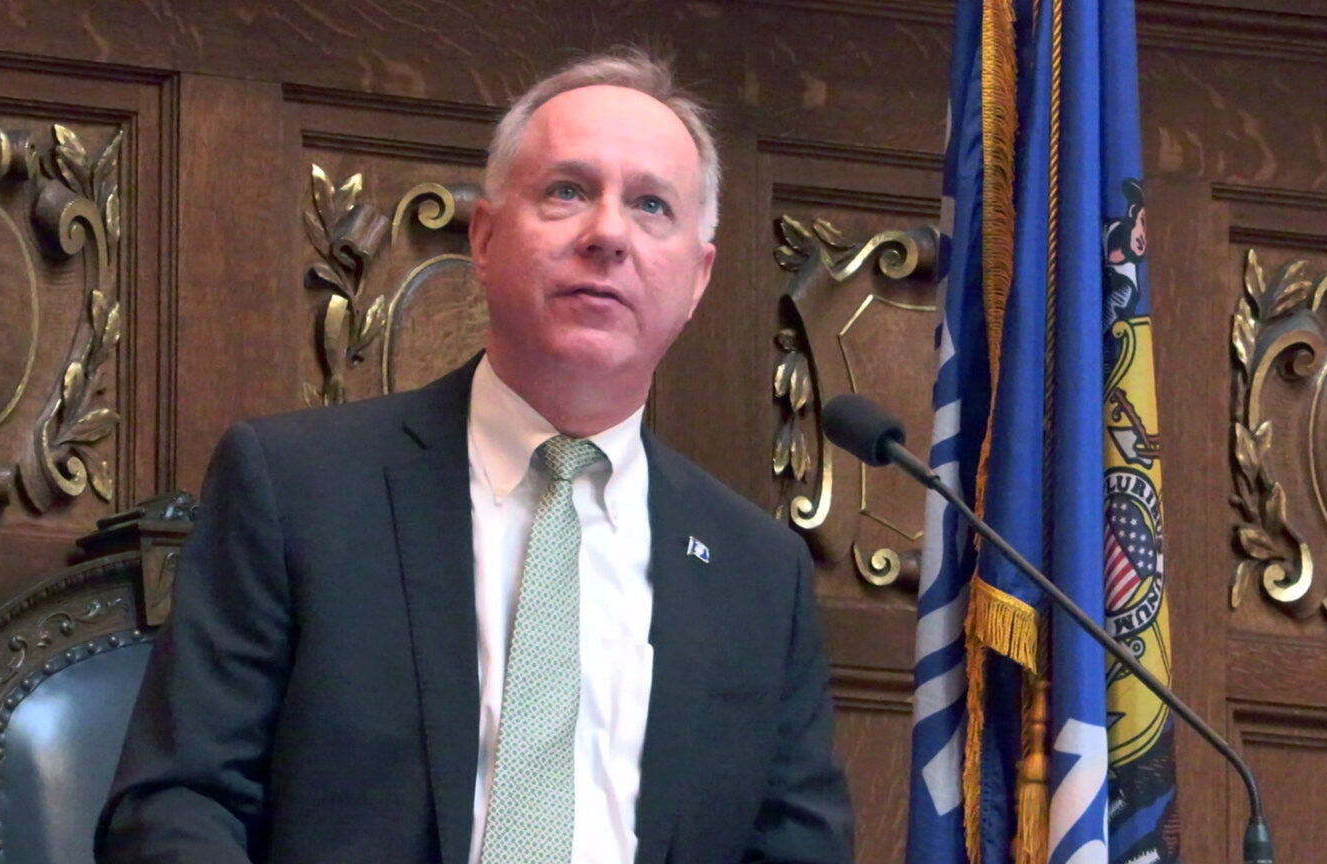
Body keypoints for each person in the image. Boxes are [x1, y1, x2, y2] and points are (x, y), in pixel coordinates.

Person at [96, 49, 853, 864]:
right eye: (568, 191)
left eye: (651, 206)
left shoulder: (757, 571)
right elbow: (176, 804)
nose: (608, 233)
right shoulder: (300, 490)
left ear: (697, 278)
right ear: (485, 239)